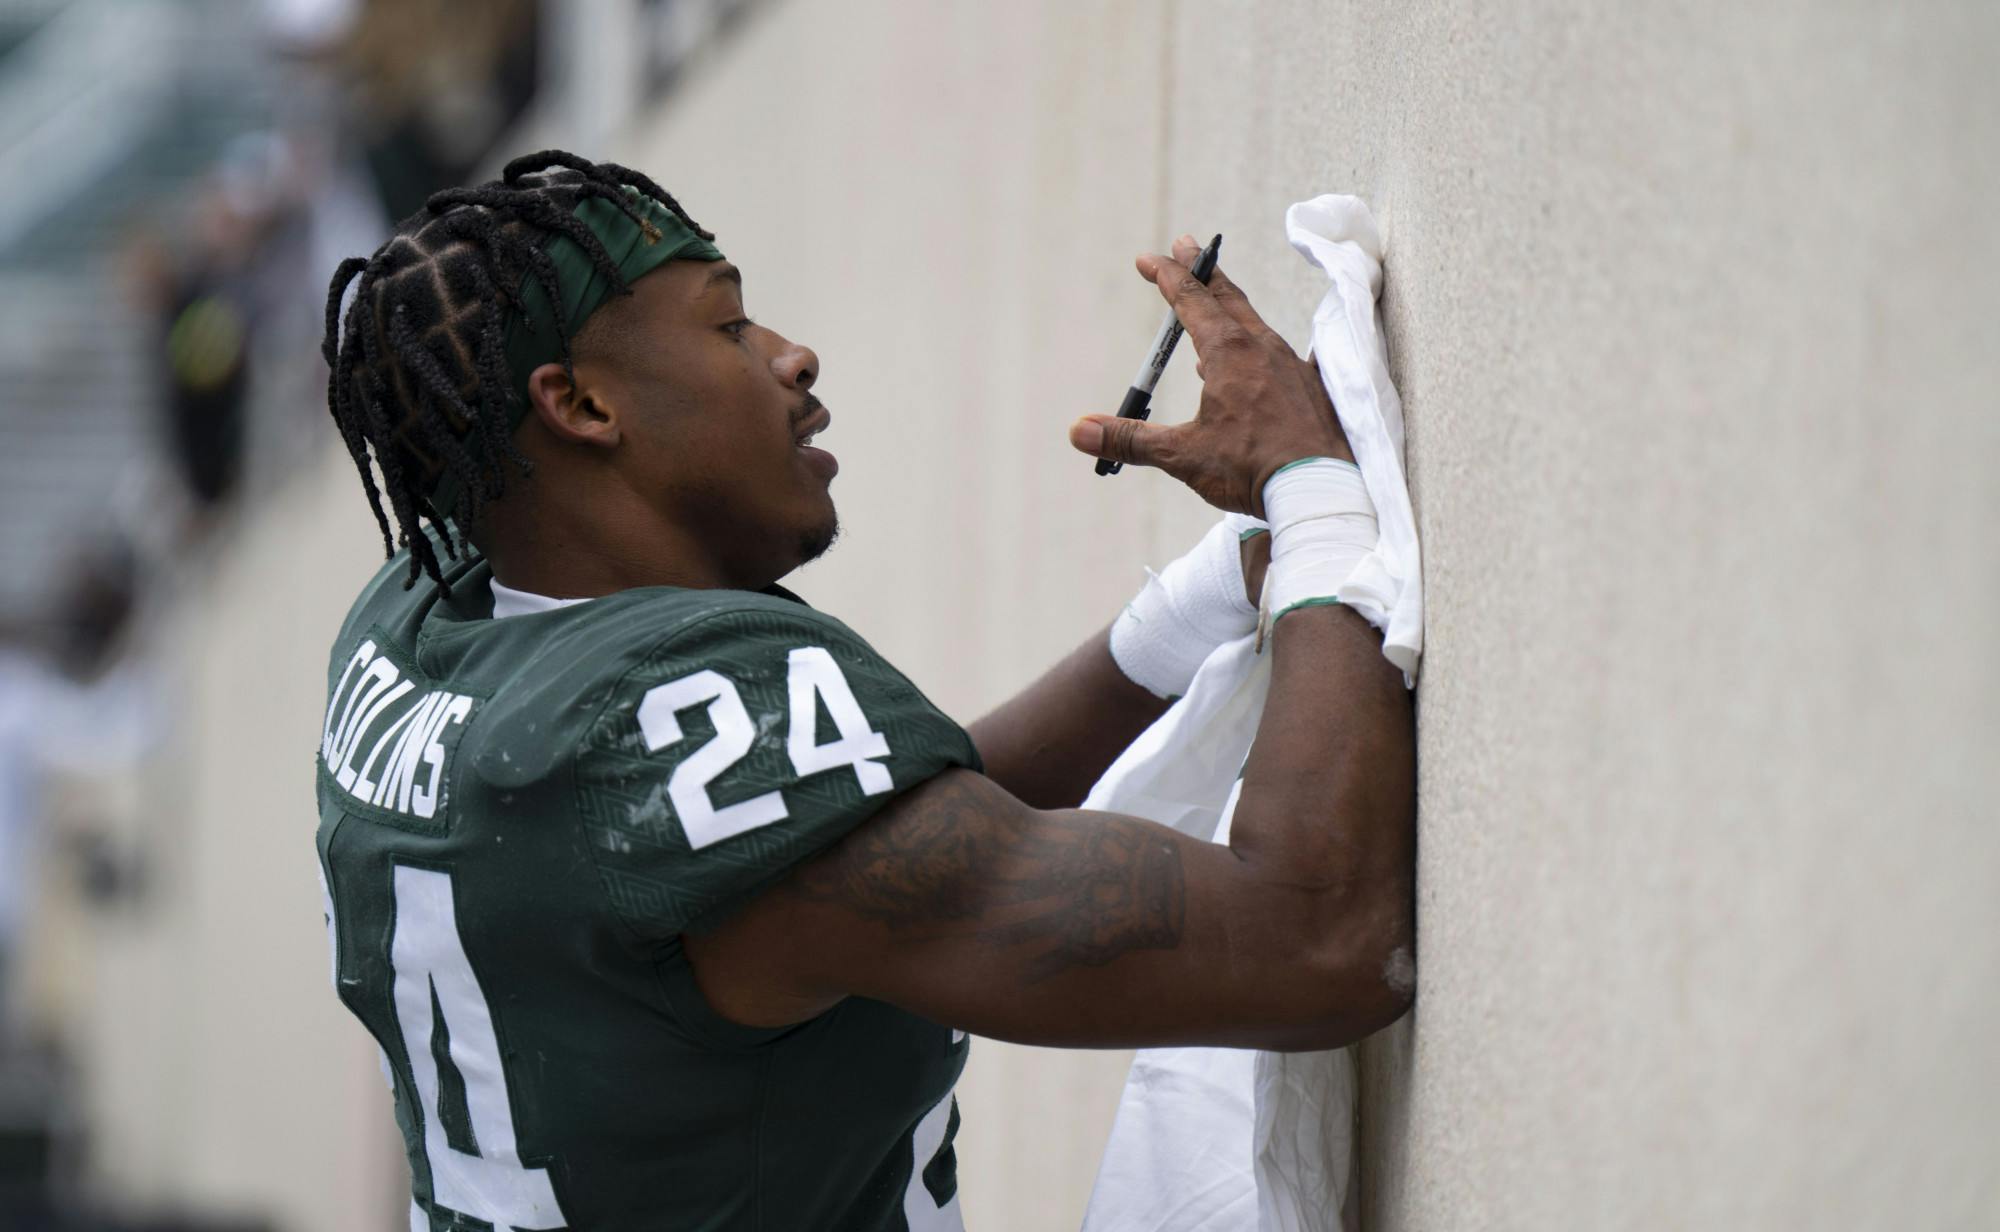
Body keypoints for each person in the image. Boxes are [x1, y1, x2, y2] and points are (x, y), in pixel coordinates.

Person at [314, 151, 1415, 1231]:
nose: (792, 356)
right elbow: (1317, 943)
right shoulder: (672, 743)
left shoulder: (432, 610)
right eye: (727, 325)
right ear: (582, 405)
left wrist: (1190, 608)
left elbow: (880, 840)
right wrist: (1310, 485)